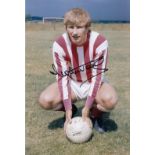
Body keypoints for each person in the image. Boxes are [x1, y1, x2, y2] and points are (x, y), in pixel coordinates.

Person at [39, 8, 118, 133]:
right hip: (73, 83)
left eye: (79, 27)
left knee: (110, 100)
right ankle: (73, 111)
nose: (74, 32)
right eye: (71, 27)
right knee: (45, 100)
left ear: (87, 27)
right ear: (66, 28)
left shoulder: (99, 42)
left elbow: (97, 77)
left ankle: (95, 115)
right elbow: (62, 77)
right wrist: (68, 108)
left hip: (93, 82)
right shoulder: (59, 45)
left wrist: (86, 108)